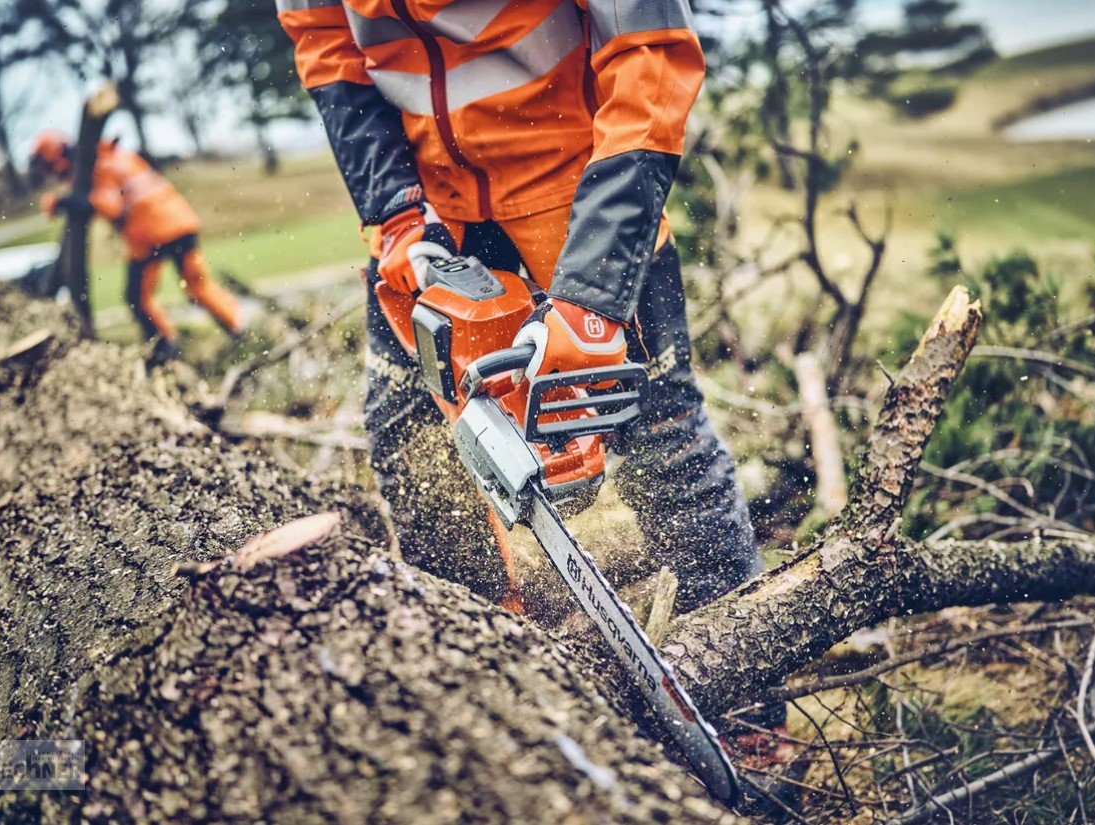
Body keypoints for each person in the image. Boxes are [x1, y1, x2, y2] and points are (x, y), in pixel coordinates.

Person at [276, 0, 797, 799]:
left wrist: (592, 293)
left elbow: (649, 49)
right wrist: (393, 215)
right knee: (408, 436)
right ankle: (486, 682)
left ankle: (750, 719)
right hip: (431, 214)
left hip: (581, 196)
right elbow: (327, 46)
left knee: (660, 435)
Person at [29, 130, 244, 362]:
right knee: (199, 287)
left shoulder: (100, 166)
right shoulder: (118, 156)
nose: (53, 174)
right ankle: (239, 329)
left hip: (151, 233)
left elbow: (110, 206)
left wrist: (63, 202)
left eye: (50, 167)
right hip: (181, 223)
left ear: (58, 158)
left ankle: (167, 351)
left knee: (136, 298)